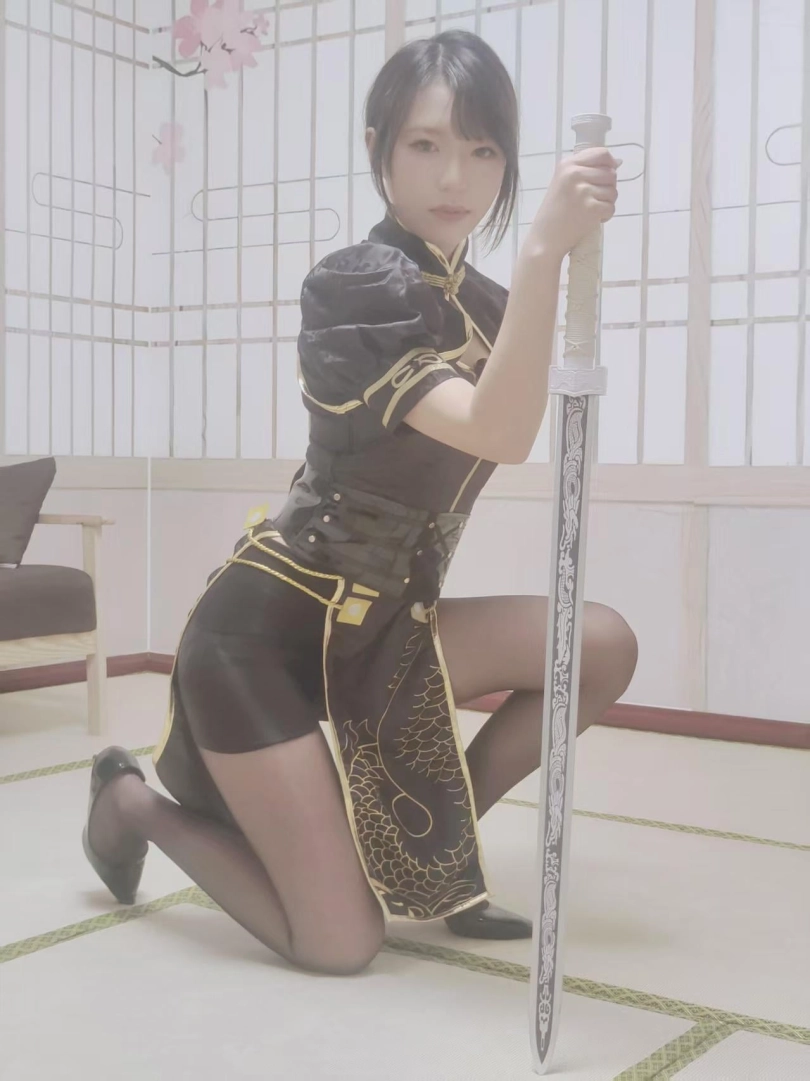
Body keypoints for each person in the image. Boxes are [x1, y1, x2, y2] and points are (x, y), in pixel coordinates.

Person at [82, 30, 637, 977]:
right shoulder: (354, 286)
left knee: (599, 644)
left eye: (483, 150)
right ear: (379, 146)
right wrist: (547, 248)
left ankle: (416, 849)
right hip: (266, 637)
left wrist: (540, 277)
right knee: (338, 943)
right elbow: (498, 431)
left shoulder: (492, 303)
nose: (455, 176)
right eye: (426, 144)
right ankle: (128, 803)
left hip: (387, 626)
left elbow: (508, 414)